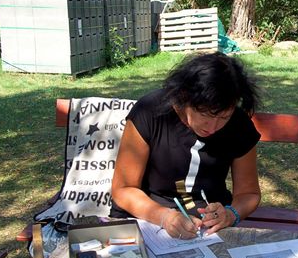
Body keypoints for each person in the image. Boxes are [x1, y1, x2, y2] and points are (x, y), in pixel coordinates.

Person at [110, 52, 261, 239]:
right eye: (205, 115)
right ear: (184, 97)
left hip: (207, 227)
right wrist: (164, 216)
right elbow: (123, 189)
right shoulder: (150, 112)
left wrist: (231, 214)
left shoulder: (239, 125)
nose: (213, 127)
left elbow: (249, 193)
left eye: (223, 117)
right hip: (146, 217)